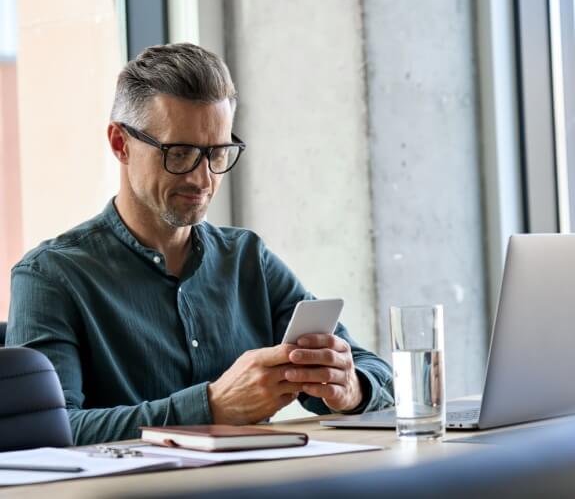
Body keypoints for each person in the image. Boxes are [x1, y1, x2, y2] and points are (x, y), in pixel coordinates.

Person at [6, 43, 394, 445]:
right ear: (121, 144)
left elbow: (373, 371)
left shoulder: (248, 260)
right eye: (181, 153)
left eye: (217, 153)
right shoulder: (51, 277)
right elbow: (44, 432)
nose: (203, 178)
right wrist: (211, 407)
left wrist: (348, 388)